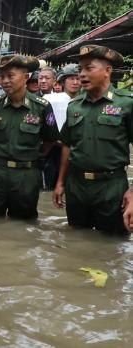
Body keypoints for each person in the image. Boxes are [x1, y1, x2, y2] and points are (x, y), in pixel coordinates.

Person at [53, 45, 132, 235]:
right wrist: (61, 183)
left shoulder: (126, 104)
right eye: (80, 69)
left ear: (107, 71)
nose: (81, 74)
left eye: (89, 68)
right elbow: (67, 145)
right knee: (75, 240)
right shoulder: (74, 106)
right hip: (77, 186)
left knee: (111, 245)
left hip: (111, 187)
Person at [0, 55, 59, 219]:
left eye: (10, 76)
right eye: (2, 76)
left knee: (24, 223)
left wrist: (31, 156)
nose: (5, 81)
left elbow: (50, 140)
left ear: (25, 77)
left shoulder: (41, 107)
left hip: (26, 176)